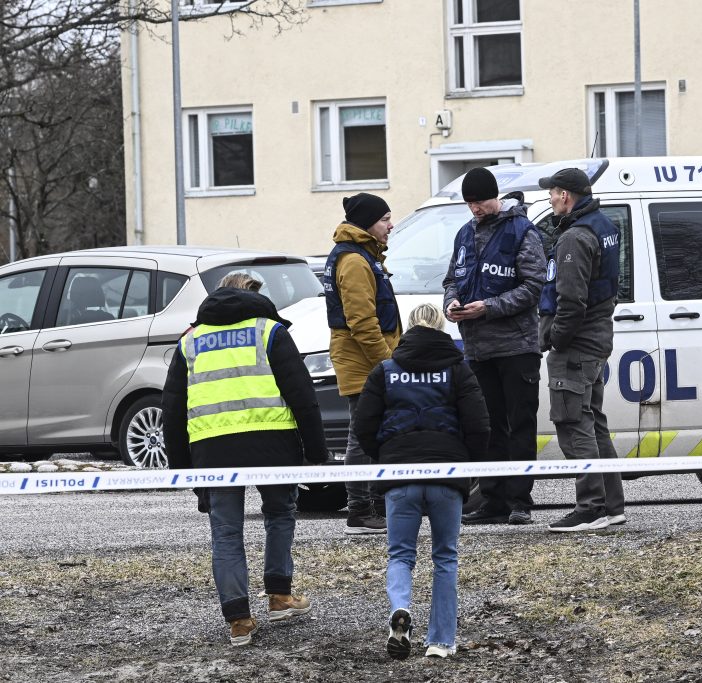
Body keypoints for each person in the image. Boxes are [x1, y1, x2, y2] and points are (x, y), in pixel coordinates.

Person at [162, 272, 329, 646]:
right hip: (272, 444)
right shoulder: (270, 331)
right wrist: (318, 455)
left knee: (226, 532)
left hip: (212, 449)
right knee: (281, 513)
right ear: (255, 297)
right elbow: (303, 395)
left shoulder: (190, 341)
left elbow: (171, 410)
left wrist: (183, 470)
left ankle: (238, 620)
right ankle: (280, 596)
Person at [351, 303, 490, 660]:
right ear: (441, 328)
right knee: (445, 557)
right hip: (447, 474)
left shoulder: (385, 370)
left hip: (400, 475)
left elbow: (363, 425)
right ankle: (440, 641)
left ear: (408, 329)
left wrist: (385, 455)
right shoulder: (458, 369)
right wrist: (467, 464)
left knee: (400, 555)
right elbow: (478, 424)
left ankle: (401, 610)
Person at [442, 167, 545, 525]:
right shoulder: (464, 234)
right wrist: (452, 305)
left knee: (519, 425)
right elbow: (451, 280)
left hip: (517, 348)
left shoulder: (522, 232)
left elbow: (534, 287)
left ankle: (520, 501)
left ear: (495, 197)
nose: (475, 209)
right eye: (470, 204)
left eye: (480, 202)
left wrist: (488, 307)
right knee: (487, 428)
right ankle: (493, 499)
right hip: (478, 350)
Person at [537, 168, 627, 533]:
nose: (550, 199)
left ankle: (590, 507)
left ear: (566, 196)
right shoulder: (603, 225)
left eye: (553, 193)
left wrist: (556, 338)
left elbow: (570, 300)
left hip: (576, 344)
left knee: (574, 423)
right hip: (595, 339)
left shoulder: (574, 237)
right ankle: (611, 505)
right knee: (593, 422)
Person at [324, 192, 402, 534]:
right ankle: (359, 510)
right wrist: (388, 364)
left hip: (366, 360)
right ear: (368, 222)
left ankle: (376, 506)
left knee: (374, 434)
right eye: (385, 219)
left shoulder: (361, 255)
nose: (390, 225)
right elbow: (362, 323)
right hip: (364, 362)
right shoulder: (354, 261)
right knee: (361, 436)